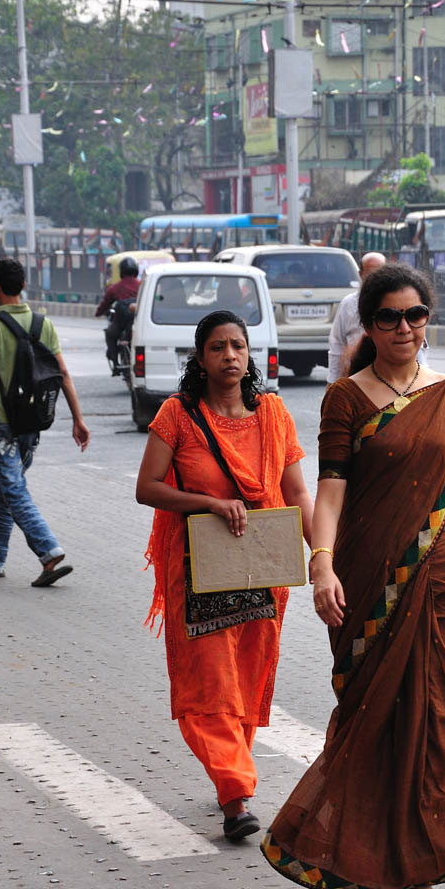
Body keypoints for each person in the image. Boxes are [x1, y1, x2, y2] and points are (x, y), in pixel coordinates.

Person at [260, 264, 445, 889]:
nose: (404, 328)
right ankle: (362, 850)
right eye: (389, 318)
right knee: (379, 717)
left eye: (416, 316)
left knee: (438, 722)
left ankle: (420, 872)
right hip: (371, 578)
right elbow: (330, 491)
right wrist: (320, 564)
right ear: (368, 325)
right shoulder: (346, 399)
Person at [136, 310, 313, 842]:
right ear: (200, 357)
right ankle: (236, 794)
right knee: (209, 682)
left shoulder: (274, 415)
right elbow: (147, 488)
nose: (230, 355)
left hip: (263, 568)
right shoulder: (178, 416)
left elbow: (298, 492)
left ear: (249, 354)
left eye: (238, 345)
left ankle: (229, 773)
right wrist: (208, 504)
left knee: (247, 678)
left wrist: (325, 553)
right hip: (198, 569)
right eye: (218, 347)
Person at [0, 257, 90, 586]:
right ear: (24, 285)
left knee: (13, 489)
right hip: (34, 422)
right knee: (7, 489)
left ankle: (48, 550)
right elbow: (64, 374)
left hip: (4, 421)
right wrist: (77, 420)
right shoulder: (43, 323)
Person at [327, 252, 386, 384]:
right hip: (354, 377)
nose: (376, 277)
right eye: (371, 272)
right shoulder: (349, 304)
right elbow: (336, 344)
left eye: (381, 271)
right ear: (361, 274)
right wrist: (332, 381)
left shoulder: (399, 302)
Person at [95, 256, 140, 365]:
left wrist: (98, 313)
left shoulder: (115, 288)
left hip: (121, 323)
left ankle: (115, 363)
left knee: (110, 334)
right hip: (139, 321)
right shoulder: (142, 285)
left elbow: (104, 304)